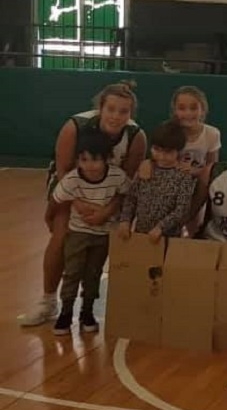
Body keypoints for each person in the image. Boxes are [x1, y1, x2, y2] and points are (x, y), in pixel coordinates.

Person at [18, 81, 146, 327]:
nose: (116, 116)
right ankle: (48, 302)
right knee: (61, 237)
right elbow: (64, 170)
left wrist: (108, 210)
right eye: (111, 109)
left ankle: (102, 303)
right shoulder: (75, 126)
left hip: (109, 192)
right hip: (71, 186)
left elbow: (128, 184)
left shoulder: (136, 136)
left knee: (107, 243)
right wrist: (77, 202)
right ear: (100, 107)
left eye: (123, 111)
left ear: (130, 114)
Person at [47, 129, 130, 336]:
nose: (90, 166)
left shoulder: (117, 177)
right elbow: (56, 199)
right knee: (72, 273)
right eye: (84, 160)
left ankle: (87, 312)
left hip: (103, 235)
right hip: (78, 234)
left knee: (93, 274)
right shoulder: (72, 179)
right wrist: (48, 218)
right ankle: (66, 313)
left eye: (95, 160)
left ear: (107, 158)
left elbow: (126, 195)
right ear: (77, 160)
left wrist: (108, 212)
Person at [118, 120, 195, 242]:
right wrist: (125, 220)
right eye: (157, 149)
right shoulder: (145, 169)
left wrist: (161, 227)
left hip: (168, 239)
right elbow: (131, 197)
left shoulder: (183, 177)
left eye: (168, 152)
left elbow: (181, 210)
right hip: (140, 234)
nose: (161, 156)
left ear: (179, 151)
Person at [169, 86, 221, 234]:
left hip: (198, 185)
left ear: (202, 110)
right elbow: (159, 159)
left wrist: (195, 171)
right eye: (182, 108)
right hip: (172, 183)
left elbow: (212, 168)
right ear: (175, 111)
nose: (188, 113)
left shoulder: (211, 134)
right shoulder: (169, 131)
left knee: (195, 221)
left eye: (193, 108)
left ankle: (193, 231)